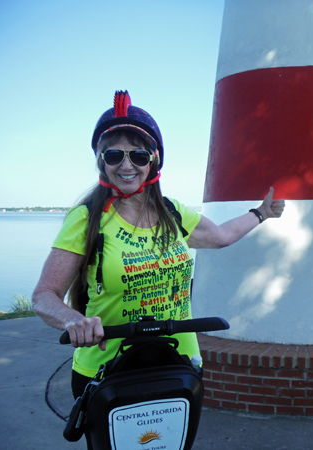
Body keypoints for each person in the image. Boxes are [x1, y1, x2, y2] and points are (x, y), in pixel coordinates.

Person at [32, 90, 285, 406]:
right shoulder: (85, 219)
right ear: (101, 160)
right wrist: (73, 321)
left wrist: (262, 213)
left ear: (154, 160)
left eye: (138, 156)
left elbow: (221, 236)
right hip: (106, 369)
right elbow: (44, 295)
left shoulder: (172, 212)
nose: (126, 166)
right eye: (114, 155)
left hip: (177, 362)